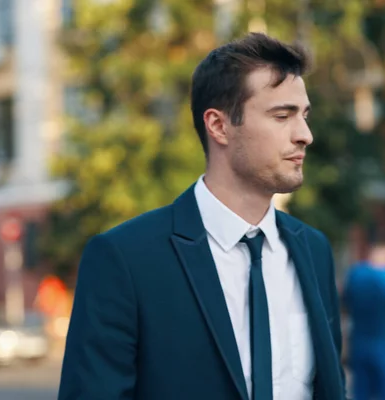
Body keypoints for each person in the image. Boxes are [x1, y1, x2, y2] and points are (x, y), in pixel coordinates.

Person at [58, 32, 347, 400]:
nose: (304, 135)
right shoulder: (125, 259)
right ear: (218, 126)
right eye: (282, 116)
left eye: (304, 116)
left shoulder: (314, 250)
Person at [343, 240, 385, 400]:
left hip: (358, 343)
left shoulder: (355, 275)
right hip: (383, 343)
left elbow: (345, 307)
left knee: (361, 392)